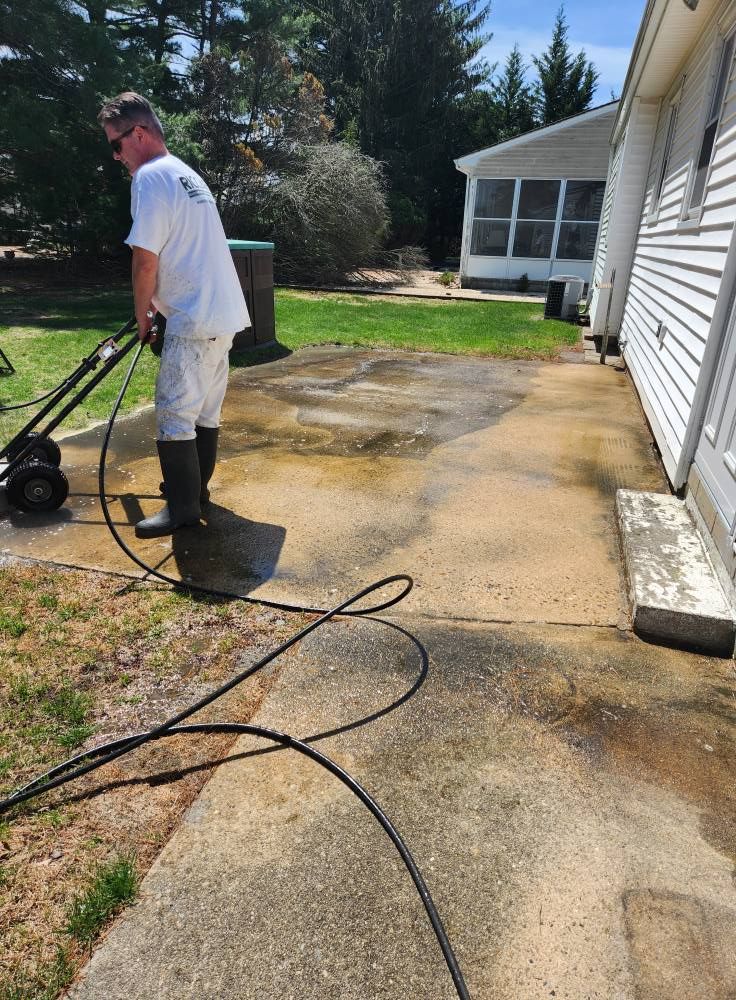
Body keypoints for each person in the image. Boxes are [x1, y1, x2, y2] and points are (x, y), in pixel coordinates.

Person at [97, 92, 249, 539]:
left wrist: (144, 312)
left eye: (116, 145)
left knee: (173, 416)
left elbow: (145, 259)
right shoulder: (187, 174)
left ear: (138, 134)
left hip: (193, 317)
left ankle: (181, 510)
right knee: (204, 413)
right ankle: (195, 493)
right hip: (222, 315)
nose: (116, 156)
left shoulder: (149, 178)